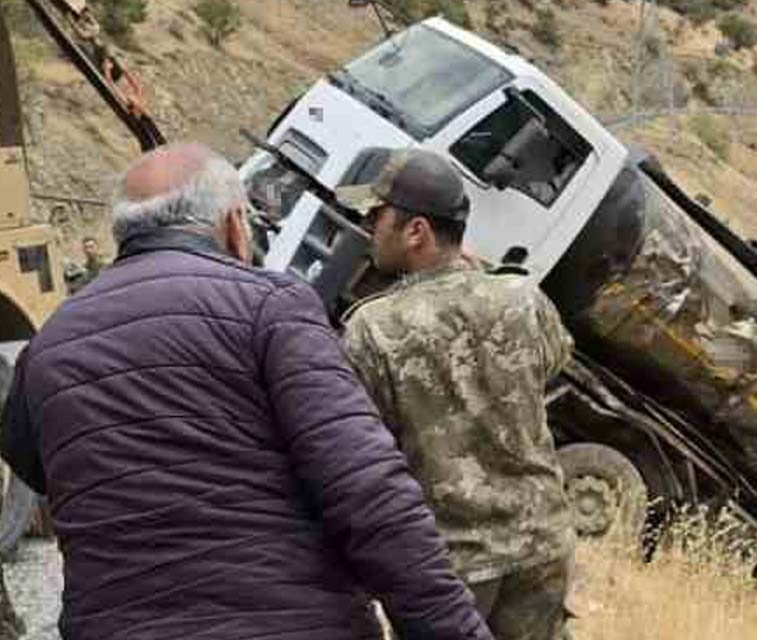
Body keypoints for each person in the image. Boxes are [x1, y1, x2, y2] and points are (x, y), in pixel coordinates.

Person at [0, 143, 491, 640]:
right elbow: (369, 492)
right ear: (235, 224)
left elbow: (33, 466)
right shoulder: (270, 307)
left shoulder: (49, 346)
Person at [340, 147, 577, 640]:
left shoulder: (376, 327)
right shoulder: (522, 299)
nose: (368, 228)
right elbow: (552, 362)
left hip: (455, 566)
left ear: (416, 231)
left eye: (376, 215)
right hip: (543, 545)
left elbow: (359, 443)